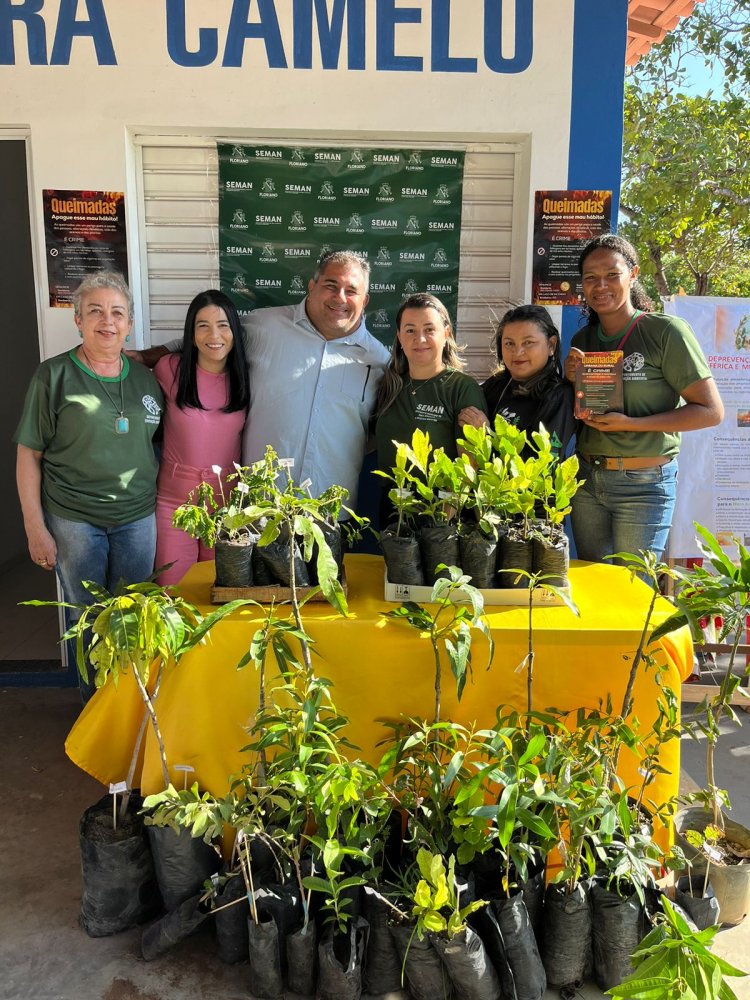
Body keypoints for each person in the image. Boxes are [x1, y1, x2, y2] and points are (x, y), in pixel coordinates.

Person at [135, 250, 390, 511]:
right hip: (258, 507)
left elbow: (376, 432)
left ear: (365, 300)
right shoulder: (264, 326)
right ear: (312, 286)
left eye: (352, 290)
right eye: (331, 285)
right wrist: (148, 356)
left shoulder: (379, 361)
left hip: (330, 511)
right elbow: (213, 338)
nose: (340, 298)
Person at [15, 271, 163, 700]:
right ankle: (93, 709)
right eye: (95, 311)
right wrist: (34, 528)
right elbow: (29, 454)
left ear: (130, 324)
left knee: (132, 616)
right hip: (74, 520)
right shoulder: (53, 376)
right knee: (89, 619)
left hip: (137, 518)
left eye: (117, 312)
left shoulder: (144, 381)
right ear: (77, 320)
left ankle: (127, 707)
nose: (107, 321)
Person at [563, 234, 723, 563]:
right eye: (591, 278)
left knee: (632, 591)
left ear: (633, 274)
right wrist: (570, 381)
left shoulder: (666, 332)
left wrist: (633, 425)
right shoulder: (584, 338)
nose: (601, 285)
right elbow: (583, 409)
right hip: (587, 481)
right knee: (595, 587)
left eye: (612, 274)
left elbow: (710, 412)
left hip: (644, 485)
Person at [153, 289, 249, 585]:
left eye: (223, 325)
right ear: (191, 334)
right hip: (174, 504)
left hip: (226, 507)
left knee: (215, 592)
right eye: (202, 325)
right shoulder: (170, 369)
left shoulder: (246, 377)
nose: (214, 335)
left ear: (234, 331)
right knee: (172, 593)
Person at [374, 292, 487, 511]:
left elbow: (469, 465)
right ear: (399, 336)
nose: (420, 339)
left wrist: (444, 521)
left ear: (446, 333)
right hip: (393, 513)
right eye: (410, 330)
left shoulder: (461, 388)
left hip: (439, 514)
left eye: (429, 329)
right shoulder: (390, 385)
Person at [458, 303, 577, 458]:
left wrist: (488, 434)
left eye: (528, 342)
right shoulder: (496, 385)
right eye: (509, 343)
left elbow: (543, 466)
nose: (518, 352)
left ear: (551, 345)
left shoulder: (559, 397)